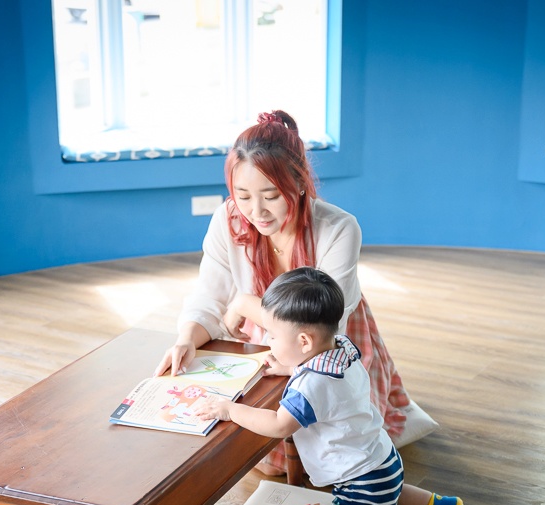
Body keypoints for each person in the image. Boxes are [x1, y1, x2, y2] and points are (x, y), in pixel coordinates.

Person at [154, 110, 419, 475]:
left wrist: (245, 304)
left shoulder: (338, 228)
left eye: (270, 195)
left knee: (341, 442)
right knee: (257, 450)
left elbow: (323, 320)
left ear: (299, 183)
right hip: (270, 339)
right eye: (242, 195)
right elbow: (210, 294)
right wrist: (187, 338)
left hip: (325, 341)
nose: (255, 212)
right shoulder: (228, 219)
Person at [193, 268, 474, 505]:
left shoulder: (309, 388)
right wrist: (291, 369)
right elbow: (327, 384)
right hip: (382, 460)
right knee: (392, 493)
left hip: (359, 483)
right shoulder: (343, 349)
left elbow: (279, 425)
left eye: (272, 335)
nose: (268, 340)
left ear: (304, 342)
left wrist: (230, 409)